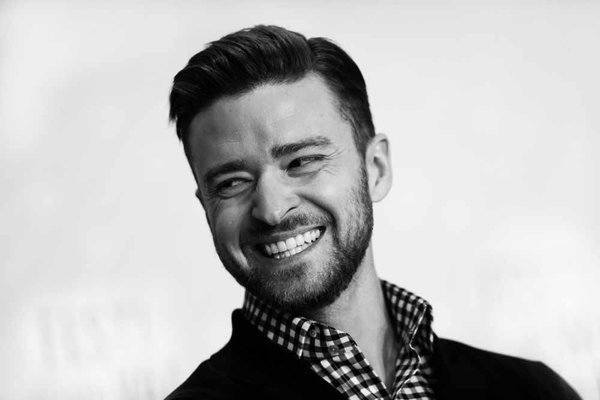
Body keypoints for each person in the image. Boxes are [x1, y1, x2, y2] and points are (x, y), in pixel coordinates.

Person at [165, 25, 581, 400]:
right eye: (231, 183)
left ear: (376, 168)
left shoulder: (533, 390)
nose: (272, 210)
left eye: (301, 161)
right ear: (206, 208)